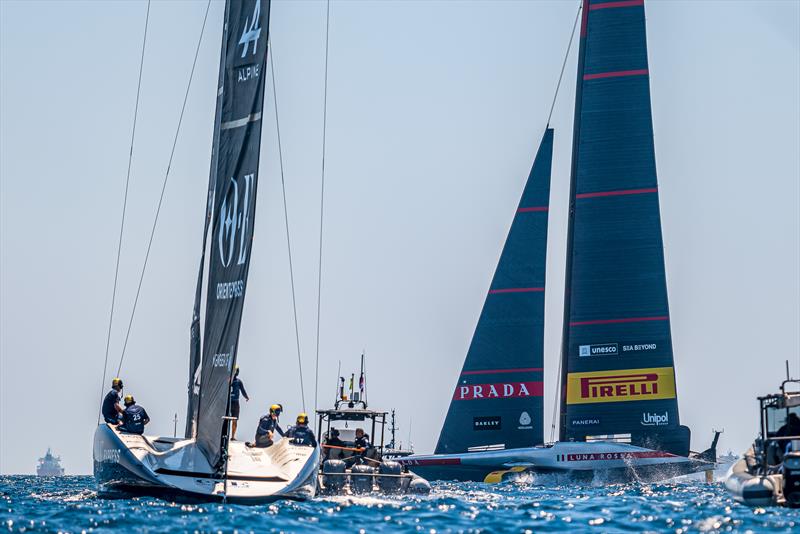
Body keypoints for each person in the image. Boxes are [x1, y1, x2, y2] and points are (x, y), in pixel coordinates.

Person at [229, 366, 249, 440]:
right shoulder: (227, 380)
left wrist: (246, 397)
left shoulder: (238, 382)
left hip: (235, 402)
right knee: (226, 420)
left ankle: (233, 436)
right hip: (228, 403)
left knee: (235, 419)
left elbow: (243, 390)